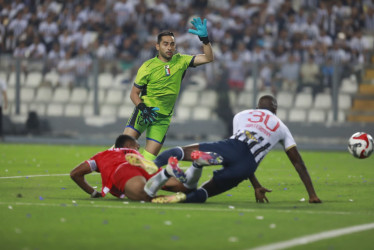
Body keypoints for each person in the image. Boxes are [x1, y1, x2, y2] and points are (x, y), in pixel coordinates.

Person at [151, 95, 322, 204]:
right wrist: (312, 195)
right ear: (275, 110)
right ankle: (179, 200)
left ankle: (152, 165)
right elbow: (297, 162)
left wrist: (256, 184)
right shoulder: (281, 127)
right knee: (206, 191)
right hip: (248, 164)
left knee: (181, 152)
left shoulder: (242, 115)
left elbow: (239, 145)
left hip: (231, 147)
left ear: (257, 107)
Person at [123, 17, 214, 161]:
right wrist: (143, 108)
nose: (169, 47)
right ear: (157, 46)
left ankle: (133, 181)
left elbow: (208, 58)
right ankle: (94, 165)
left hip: (163, 119)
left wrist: (205, 40)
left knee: (147, 161)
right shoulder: (147, 66)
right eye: (165, 44)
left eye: (172, 44)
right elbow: (134, 93)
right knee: (121, 149)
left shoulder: (181, 60)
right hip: (144, 111)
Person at [70, 134, 192, 201]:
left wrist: (93, 193)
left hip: (124, 170)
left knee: (143, 196)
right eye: (137, 147)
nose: (138, 149)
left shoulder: (102, 156)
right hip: (143, 166)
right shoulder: (133, 153)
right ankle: (168, 174)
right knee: (185, 188)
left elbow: (75, 174)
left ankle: (158, 191)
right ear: (128, 145)